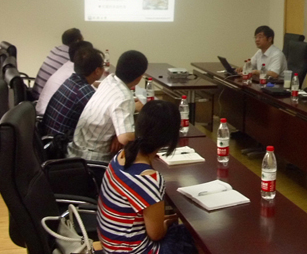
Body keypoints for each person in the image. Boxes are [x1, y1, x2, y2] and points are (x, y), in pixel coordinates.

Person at [97, 100, 197, 254]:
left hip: (111, 244)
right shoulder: (149, 179)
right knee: (190, 237)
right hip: (132, 250)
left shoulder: (121, 156)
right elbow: (156, 235)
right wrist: (166, 223)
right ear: (169, 138)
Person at [67, 50, 147, 162]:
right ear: (139, 77)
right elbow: (126, 138)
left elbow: (114, 106)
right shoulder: (124, 98)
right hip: (92, 161)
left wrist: (118, 134)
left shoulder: (109, 80)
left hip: (75, 151)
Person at [41, 46, 105, 137]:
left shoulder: (71, 80)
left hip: (47, 136)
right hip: (60, 143)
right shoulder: (83, 91)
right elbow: (105, 118)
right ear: (97, 71)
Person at [36, 40, 93, 116]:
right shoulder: (74, 72)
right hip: (45, 114)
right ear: (84, 55)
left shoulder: (68, 65)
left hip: (44, 110)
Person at [32, 28, 83, 98]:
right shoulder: (71, 57)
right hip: (45, 99)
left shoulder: (55, 50)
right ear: (78, 41)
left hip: (35, 95)